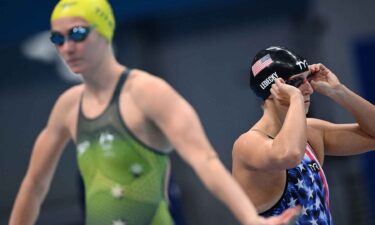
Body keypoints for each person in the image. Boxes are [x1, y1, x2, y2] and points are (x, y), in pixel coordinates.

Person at [8, 1, 301, 225]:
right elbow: (34, 185)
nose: (67, 47)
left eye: (78, 34)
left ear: (105, 31)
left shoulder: (147, 93)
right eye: (57, 39)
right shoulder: (67, 106)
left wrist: (251, 220)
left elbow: (206, 162)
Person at [232, 46, 375, 225]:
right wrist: (296, 99)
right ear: (274, 87)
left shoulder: (311, 132)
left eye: (308, 79)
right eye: (298, 81)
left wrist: (338, 91)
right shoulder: (248, 144)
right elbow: (290, 155)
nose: (309, 89)